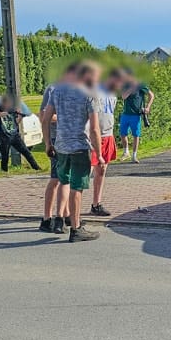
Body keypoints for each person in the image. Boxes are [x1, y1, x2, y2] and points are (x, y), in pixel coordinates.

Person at [41, 62, 104, 242]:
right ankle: (76, 229)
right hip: (79, 147)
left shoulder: (58, 91)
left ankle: (62, 219)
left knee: (64, 181)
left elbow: (45, 119)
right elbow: (94, 129)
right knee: (77, 188)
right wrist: (99, 154)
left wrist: (48, 143)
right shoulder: (90, 95)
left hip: (61, 147)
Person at [38, 64, 77, 233]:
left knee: (65, 179)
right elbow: (43, 115)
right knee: (56, 179)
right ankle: (47, 218)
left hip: (69, 140)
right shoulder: (52, 89)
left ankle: (66, 215)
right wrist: (65, 117)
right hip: (55, 139)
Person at [90, 69, 122, 217]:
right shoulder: (95, 92)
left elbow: (109, 114)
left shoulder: (113, 95)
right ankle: (71, 210)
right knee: (85, 174)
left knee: (102, 170)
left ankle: (96, 204)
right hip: (93, 136)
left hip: (107, 135)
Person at [0, 95, 42, 172]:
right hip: (4, 136)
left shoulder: (13, 109)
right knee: (5, 155)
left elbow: (16, 122)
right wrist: (8, 112)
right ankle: (4, 170)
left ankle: (36, 167)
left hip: (15, 135)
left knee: (26, 152)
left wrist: (21, 116)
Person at [119, 70, 154, 163]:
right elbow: (123, 96)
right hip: (125, 113)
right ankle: (126, 152)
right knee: (123, 133)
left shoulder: (141, 85)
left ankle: (134, 156)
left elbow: (151, 95)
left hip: (136, 114)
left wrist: (148, 107)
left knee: (136, 135)